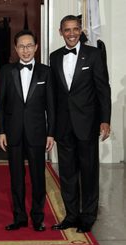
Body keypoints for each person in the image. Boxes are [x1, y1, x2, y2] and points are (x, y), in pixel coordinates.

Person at [50, 15, 111, 233]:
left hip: (87, 123)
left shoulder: (93, 54)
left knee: (89, 172)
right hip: (64, 126)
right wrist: (52, 127)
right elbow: (55, 94)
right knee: (67, 174)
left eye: (75, 29)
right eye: (67, 30)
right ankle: (71, 215)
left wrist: (105, 120)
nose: (72, 33)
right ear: (60, 32)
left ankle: (88, 216)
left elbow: (103, 88)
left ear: (81, 30)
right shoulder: (54, 57)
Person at [0, 30, 55, 231]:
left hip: (38, 132)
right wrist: (1, 131)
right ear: (15, 48)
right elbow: (0, 105)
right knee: (16, 177)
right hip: (13, 132)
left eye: (29, 45)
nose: (26, 50)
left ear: (36, 47)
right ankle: (19, 217)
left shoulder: (45, 72)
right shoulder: (6, 71)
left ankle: (38, 217)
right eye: (21, 46)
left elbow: (51, 106)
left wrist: (51, 133)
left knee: (38, 177)